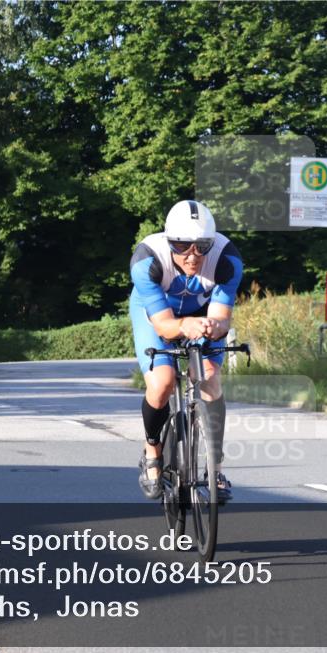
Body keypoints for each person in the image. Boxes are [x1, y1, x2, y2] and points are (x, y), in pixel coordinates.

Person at [129, 200, 243, 502]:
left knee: (208, 377)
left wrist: (212, 327)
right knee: (163, 381)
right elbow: (165, 327)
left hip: (202, 313)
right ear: (169, 241)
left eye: (201, 246)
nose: (192, 255)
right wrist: (184, 326)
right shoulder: (147, 260)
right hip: (156, 315)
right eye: (182, 245)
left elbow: (221, 318)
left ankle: (214, 468)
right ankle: (152, 454)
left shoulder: (226, 260)